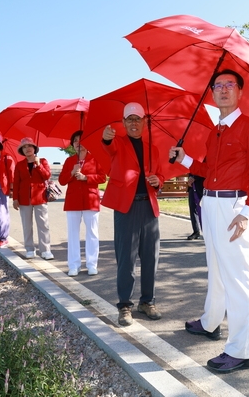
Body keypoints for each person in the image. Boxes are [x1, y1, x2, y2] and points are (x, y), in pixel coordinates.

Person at [169, 69, 249, 373]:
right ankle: (211, 322)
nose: (223, 90)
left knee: (237, 278)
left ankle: (241, 350)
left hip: (232, 207)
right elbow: (207, 168)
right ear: (211, 92)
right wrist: (183, 158)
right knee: (216, 269)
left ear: (240, 92)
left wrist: (247, 211)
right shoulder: (216, 131)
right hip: (209, 203)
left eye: (230, 85)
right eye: (218, 85)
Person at [101, 102, 165, 327]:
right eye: (130, 119)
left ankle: (147, 301)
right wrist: (107, 137)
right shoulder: (116, 142)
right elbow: (107, 146)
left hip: (149, 207)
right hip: (125, 208)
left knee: (151, 258)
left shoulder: (153, 149)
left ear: (144, 122)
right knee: (126, 259)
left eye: (138, 119)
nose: (134, 123)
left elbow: (160, 176)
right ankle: (124, 305)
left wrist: (159, 181)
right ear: (124, 123)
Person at [58, 130, 107, 277]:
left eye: (82, 140)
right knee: (73, 234)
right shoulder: (69, 161)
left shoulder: (95, 159)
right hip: (73, 200)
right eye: (76, 141)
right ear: (72, 145)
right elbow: (61, 181)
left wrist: (87, 178)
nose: (79, 143)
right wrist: (72, 173)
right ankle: (74, 265)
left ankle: (92, 264)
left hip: (90, 199)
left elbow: (102, 178)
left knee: (92, 233)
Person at [12, 137, 54, 260]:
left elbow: (47, 176)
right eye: (24, 147)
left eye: (29, 146)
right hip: (24, 198)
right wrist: (15, 198)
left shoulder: (43, 161)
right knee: (26, 225)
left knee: (43, 224)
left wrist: (38, 164)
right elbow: (16, 183)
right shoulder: (19, 165)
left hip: (40, 197)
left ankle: (45, 250)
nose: (27, 149)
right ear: (22, 151)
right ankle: (30, 249)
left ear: (34, 148)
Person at [186, 173, 205, 240]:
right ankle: (196, 231)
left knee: (204, 210)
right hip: (192, 187)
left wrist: (195, 177)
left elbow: (205, 169)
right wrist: (190, 177)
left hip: (203, 186)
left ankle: (206, 231)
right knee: (192, 208)